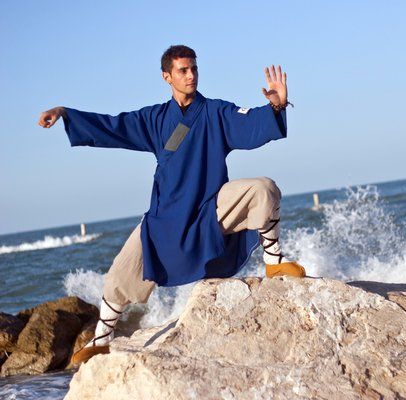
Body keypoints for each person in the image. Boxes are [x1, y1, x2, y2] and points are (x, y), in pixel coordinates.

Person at [38, 45, 307, 365]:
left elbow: (249, 125)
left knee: (263, 188)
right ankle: (101, 340)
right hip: (164, 219)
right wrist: (65, 112)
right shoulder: (154, 119)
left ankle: (275, 262)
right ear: (167, 76)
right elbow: (113, 126)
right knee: (119, 275)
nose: (191, 75)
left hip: (209, 209)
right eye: (183, 70)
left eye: (194, 68)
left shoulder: (215, 112)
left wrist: (276, 106)